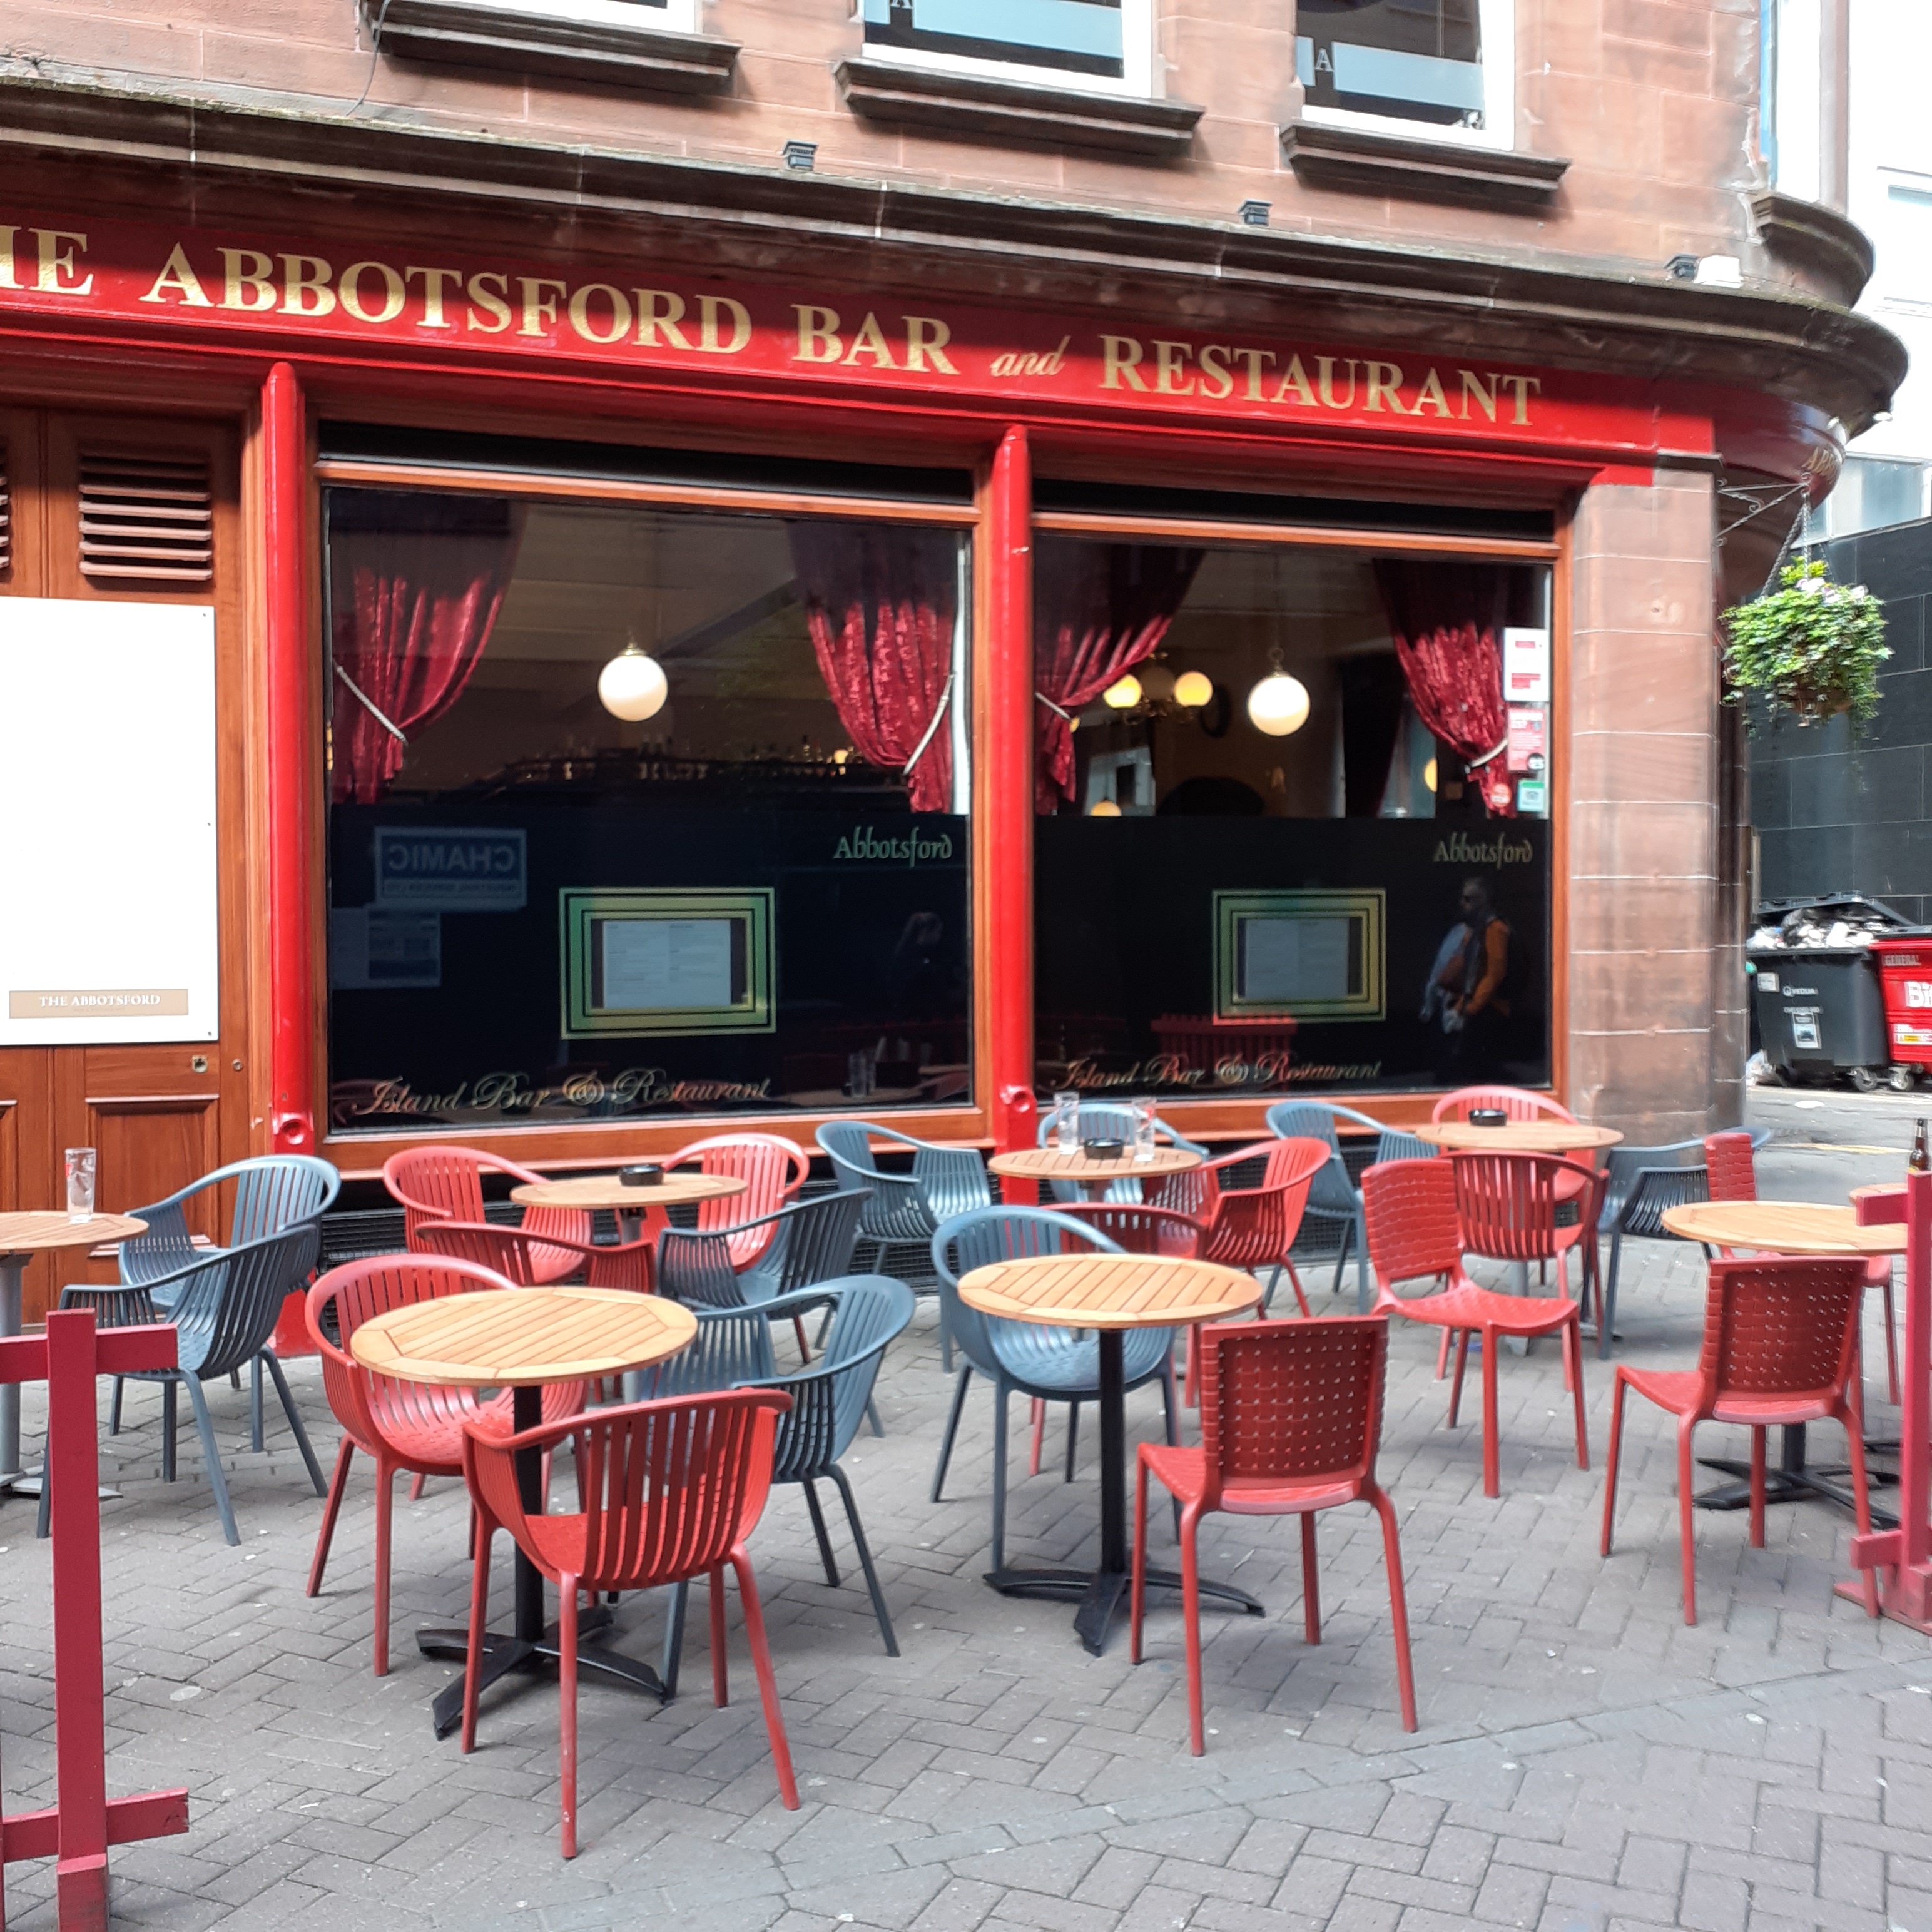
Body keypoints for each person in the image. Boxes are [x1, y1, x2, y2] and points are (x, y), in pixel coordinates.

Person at [1429, 877, 1513, 1072]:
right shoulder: (1475, 930)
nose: (1462, 904)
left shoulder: (1495, 929)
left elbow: (1494, 974)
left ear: (1482, 901)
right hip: (1472, 1008)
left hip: (1488, 1011)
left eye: (1468, 899)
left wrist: (1469, 1008)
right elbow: (1468, 973)